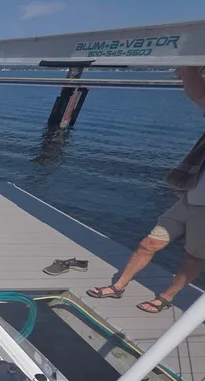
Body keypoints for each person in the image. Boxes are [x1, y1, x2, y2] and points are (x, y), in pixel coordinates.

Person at [87, 67, 205, 313]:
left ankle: (166, 297)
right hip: (191, 196)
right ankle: (119, 286)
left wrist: (187, 67)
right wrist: (187, 69)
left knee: (194, 257)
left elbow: (198, 92)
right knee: (149, 243)